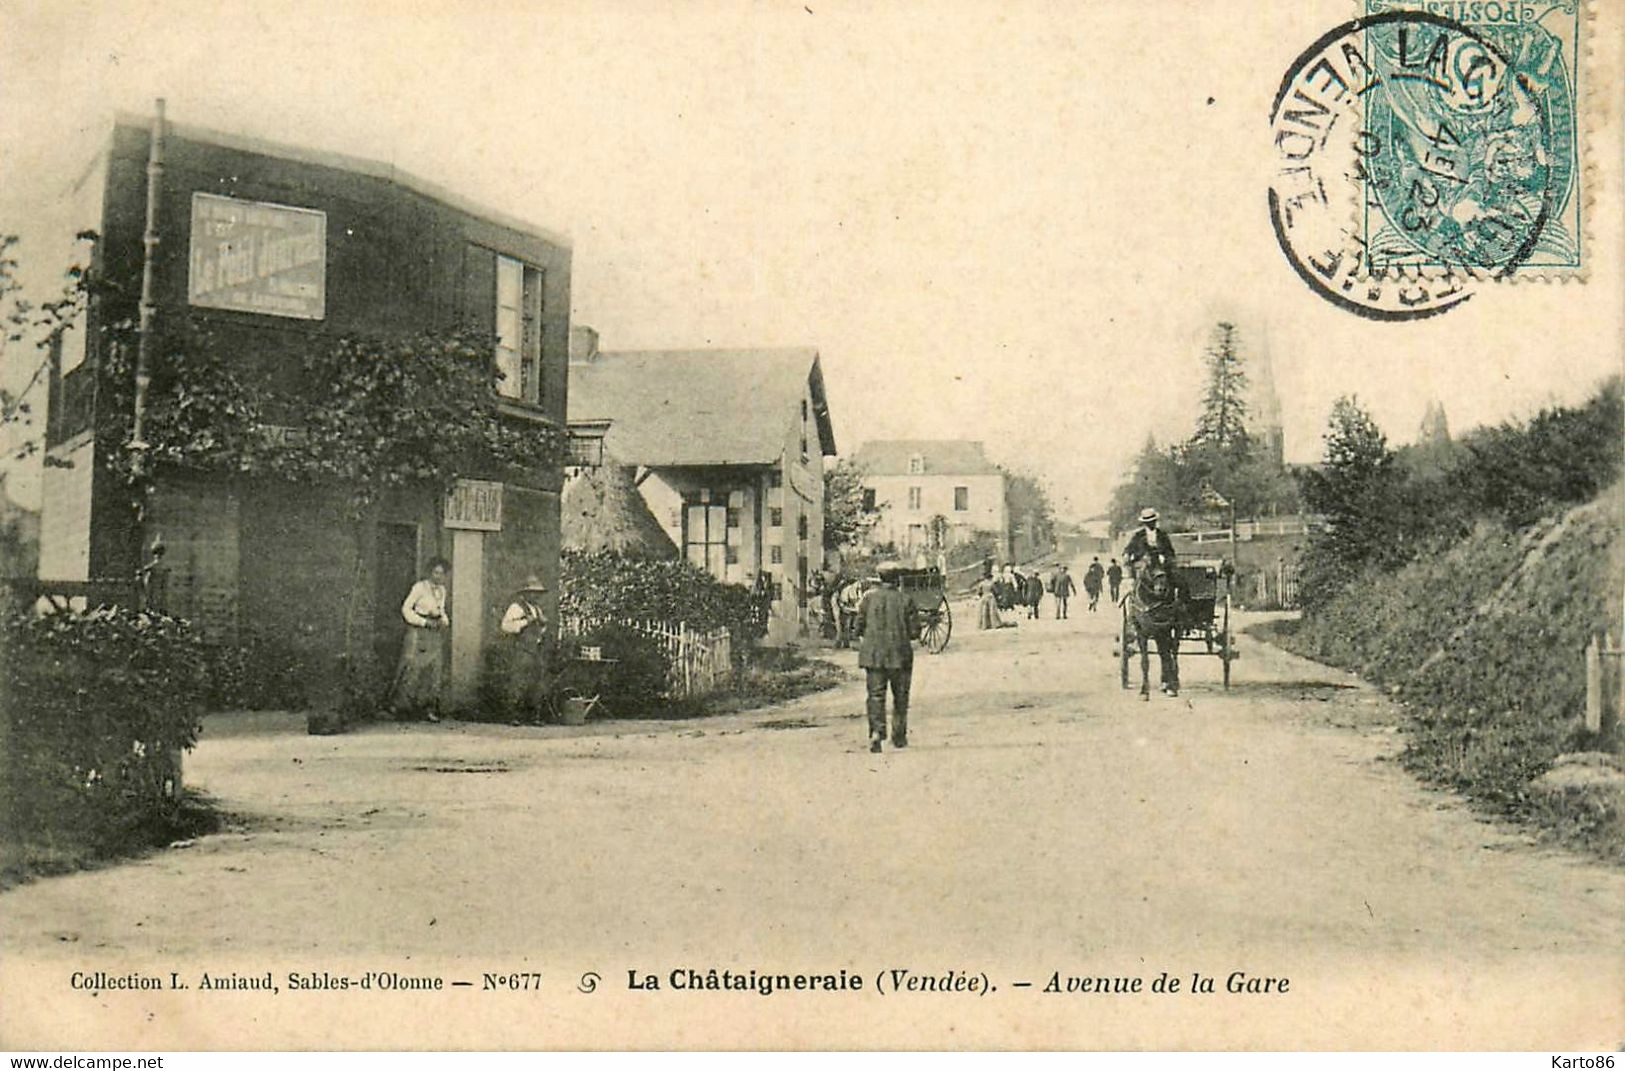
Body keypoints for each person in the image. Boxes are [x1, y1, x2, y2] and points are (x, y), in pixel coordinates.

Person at [858, 562, 918, 753]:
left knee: (875, 696)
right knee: (900, 697)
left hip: (873, 656)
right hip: (900, 655)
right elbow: (915, 631)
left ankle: (876, 732)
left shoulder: (867, 600)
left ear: (879, 577)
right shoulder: (906, 600)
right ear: (897, 578)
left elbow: (857, 627)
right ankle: (898, 736)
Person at [394, 556, 451, 722]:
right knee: (413, 668)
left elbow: (441, 610)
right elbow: (406, 609)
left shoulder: (442, 590)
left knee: (434, 671)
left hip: (434, 633)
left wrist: (443, 620)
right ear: (430, 572)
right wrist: (423, 622)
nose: (438, 576)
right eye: (435, 572)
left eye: (441, 573)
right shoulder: (419, 588)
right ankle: (403, 708)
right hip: (418, 632)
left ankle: (427, 708)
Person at [498, 574, 550, 721]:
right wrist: (525, 622)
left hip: (534, 649)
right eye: (532, 592)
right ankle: (513, 715)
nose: (535, 595)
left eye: (537, 593)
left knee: (535, 682)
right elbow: (505, 626)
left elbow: (540, 629)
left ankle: (534, 716)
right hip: (521, 650)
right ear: (525, 593)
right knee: (518, 681)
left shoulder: (537, 609)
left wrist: (542, 625)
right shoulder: (516, 607)